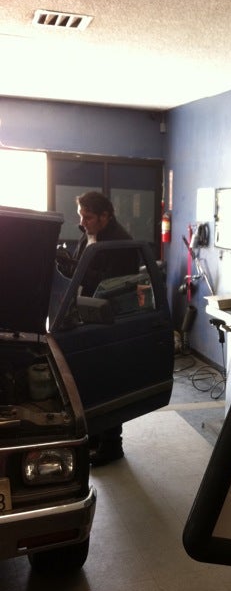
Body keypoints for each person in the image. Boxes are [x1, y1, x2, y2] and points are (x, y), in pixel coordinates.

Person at [57, 191, 138, 467]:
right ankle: (94, 437)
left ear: (106, 216)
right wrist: (66, 265)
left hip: (110, 319)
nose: (82, 223)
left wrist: (75, 268)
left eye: (88, 217)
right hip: (87, 314)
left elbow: (112, 284)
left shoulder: (121, 243)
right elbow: (78, 272)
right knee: (89, 379)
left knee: (108, 381)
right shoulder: (89, 235)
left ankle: (112, 445)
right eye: (81, 216)